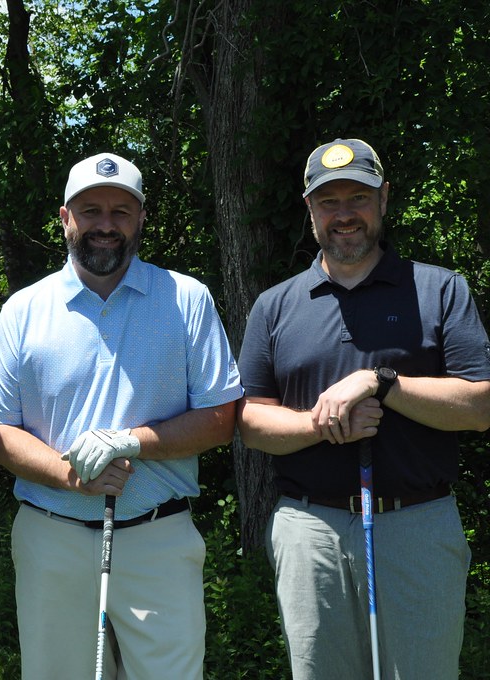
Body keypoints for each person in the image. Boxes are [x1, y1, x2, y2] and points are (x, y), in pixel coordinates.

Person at [0, 152, 243, 679]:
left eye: (121, 211)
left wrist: (133, 442)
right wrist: (71, 475)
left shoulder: (187, 298)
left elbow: (220, 417)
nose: (106, 224)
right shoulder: (23, 310)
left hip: (158, 538)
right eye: (91, 210)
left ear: (141, 218)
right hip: (52, 537)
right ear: (64, 218)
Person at [237, 138, 490, 679]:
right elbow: (251, 422)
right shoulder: (275, 305)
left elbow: (478, 406)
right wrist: (319, 423)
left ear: (384, 200)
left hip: (416, 523)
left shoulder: (439, 289)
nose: (344, 214)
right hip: (311, 528)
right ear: (309, 210)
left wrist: (380, 384)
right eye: (329, 201)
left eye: (358, 197)